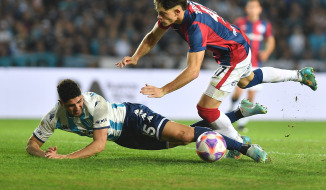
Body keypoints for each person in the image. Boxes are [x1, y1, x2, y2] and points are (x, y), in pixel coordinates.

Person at [116, 0, 317, 147]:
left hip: (234, 55)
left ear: (178, 11)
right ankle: (300, 75)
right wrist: (136, 57)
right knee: (247, 81)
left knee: (206, 109)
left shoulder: (196, 27)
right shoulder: (180, 10)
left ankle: (239, 145)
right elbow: (152, 37)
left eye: (162, 13)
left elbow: (193, 71)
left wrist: (163, 90)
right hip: (236, 42)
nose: (159, 17)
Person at [26, 79, 267, 162]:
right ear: (61, 106)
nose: (78, 108)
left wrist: (64, 158)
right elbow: (31, 145)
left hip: (134, 117)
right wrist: (45, 154)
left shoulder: (95, 102)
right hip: (123, 138)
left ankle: (245, 148)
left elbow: (99, 145)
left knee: (184, 134)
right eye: (72, 106)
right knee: (182, 139)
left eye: (79, 102)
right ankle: (239, 113)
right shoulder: (54, 116)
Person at [229, 0, 275, 132]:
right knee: (238, 92)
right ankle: (230, 112)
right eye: (250, 7)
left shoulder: (265, 25)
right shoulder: (240, 22)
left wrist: (266, 52)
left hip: (256, 64)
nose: (252, 9)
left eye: (255, 7)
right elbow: (232, 38)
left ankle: (242, 122)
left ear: (259, 9)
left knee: (250, 96)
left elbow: (271, 40)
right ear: (246, 9)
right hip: (241, 63)